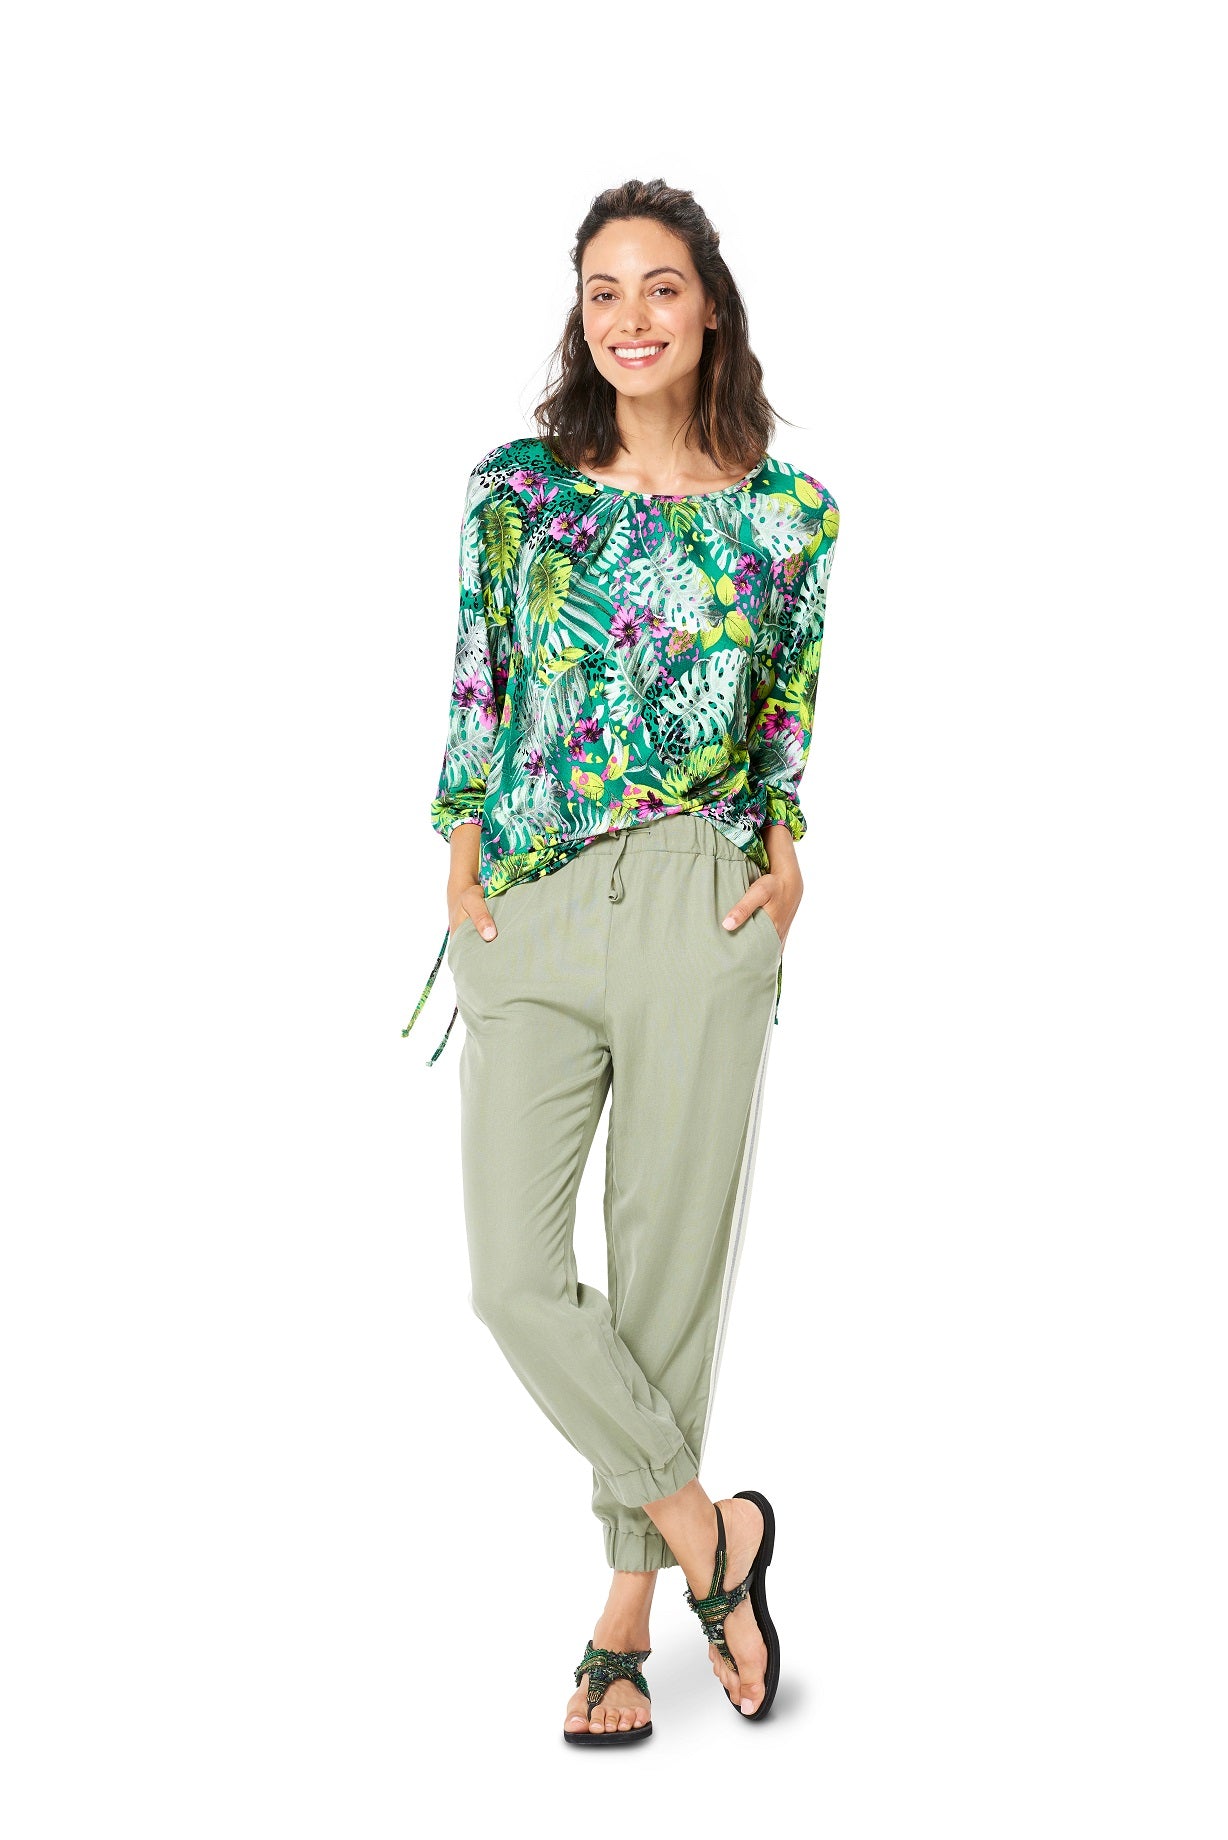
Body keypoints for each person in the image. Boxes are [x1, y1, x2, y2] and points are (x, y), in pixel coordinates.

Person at [402, 178, 840, 1745]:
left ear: (709, 306)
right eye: (604, 291)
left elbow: (783, 713)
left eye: (661, 287)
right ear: (579, 316)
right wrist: (460, 852)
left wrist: (784, 854)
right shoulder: (516, 491)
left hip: (701, 904)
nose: (631, 317)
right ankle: (714, 1531)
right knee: (514, 1280)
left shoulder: (790, 515)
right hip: (527, 899)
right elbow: (479, 679)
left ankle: (629, 1609)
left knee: (665, 1270)